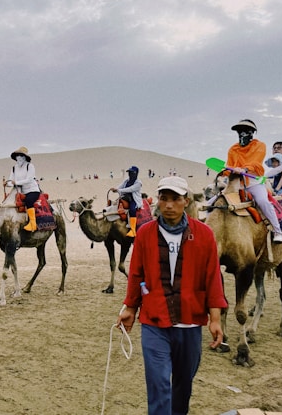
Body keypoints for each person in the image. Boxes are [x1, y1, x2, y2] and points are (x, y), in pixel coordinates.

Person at [116, 176, 227, 415]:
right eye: (164, 199)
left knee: (182, 386)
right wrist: (130, 308)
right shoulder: (145, 234)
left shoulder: (204, 234)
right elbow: (136, 273)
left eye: (175, 199)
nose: (168, 205)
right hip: (154, 322)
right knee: (158, 384)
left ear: (186, 201)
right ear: (157, 201)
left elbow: (213, 278)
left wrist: (215, 319)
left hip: (190, 321)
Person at [226, 119, 282, 243]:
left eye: (245, 131)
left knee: (263, 201)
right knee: (213, 202)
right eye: (239, 131)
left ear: (252, 133)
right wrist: (230, 171)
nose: (242, 134)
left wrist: (244, 169)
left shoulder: (260, 146)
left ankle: (278, 231)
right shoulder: (233, 149)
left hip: (253, 183)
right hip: (236, 183)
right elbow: (229, 166)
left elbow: (256, 163)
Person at [4, 146, 40, 232]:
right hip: (20, 191)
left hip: (32, 190)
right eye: (17, 155)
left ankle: (33, 224)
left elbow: (29, 180)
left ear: (25, 157)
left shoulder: (30, 166)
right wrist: (7, 184)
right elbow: (11, 181)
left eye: (21, 155)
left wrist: (16, 182)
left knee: (28, 201)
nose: (19, 157)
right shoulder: (14, 168)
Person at [111, 166, 142, 237]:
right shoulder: (126, 180)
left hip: (133, 199)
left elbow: (130, 189)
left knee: (132, 210)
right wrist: (115, 189)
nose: (130, 174)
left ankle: (133, 230)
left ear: (135, 173)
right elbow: (121, 186)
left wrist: (119, 190)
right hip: (125, 197)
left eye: (131, 173)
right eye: (129, 173)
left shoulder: (138, 183)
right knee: (114, 205)